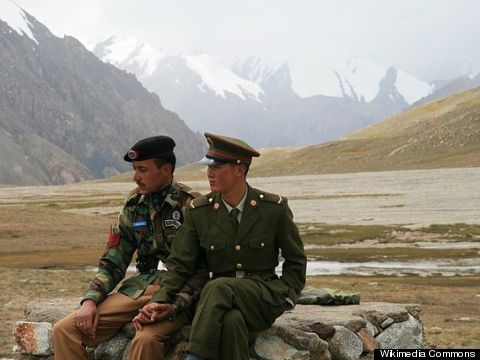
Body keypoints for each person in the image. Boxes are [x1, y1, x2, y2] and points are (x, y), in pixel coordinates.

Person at [135, 132, 307, 360]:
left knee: (218, 287)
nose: (210, 173)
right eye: (208, 167)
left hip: (262, 297)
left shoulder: (273, 208)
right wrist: (159, 300)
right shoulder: (199, 211)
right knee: (231, 321)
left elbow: (296, 260)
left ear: (240, 170)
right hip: (214, 303)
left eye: (217, 167)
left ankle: (194, 357)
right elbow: (179, 265)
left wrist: (288, 295)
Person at [53, 135, 206, 360]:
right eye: (135, 169)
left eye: (142, 170)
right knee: (66, 330)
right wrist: (90, 300)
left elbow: (204, 268)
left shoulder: (191, 205)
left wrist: (176, 304)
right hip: (139, 289)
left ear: (166, 170)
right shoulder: (134, 205)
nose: (136, 177)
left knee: (145, 339)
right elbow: (114, 258)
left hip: (177, 294)